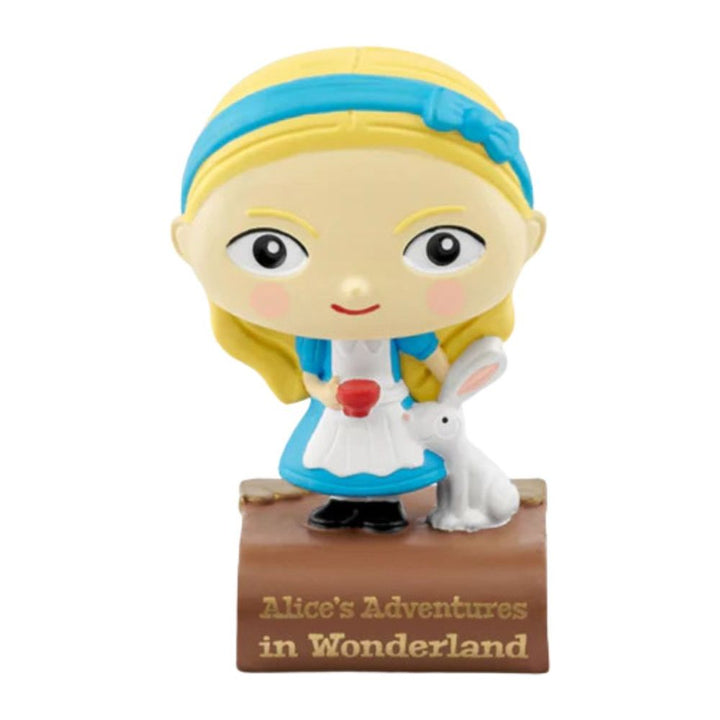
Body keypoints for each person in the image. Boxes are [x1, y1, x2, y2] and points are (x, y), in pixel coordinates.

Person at [173, 47, 545, 531]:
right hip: (340, 409)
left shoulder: (406, 331)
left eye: (442, 248)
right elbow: (310, 377)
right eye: (270, 251)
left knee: (391, 456)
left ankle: (385, 506)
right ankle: (342, 503)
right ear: (186, 242)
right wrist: (327, 393)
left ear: (529, 237)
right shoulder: (315, 339)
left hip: (390, 404)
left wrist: (449, 391)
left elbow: (435, 360)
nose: (355, 289)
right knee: (336, 455)